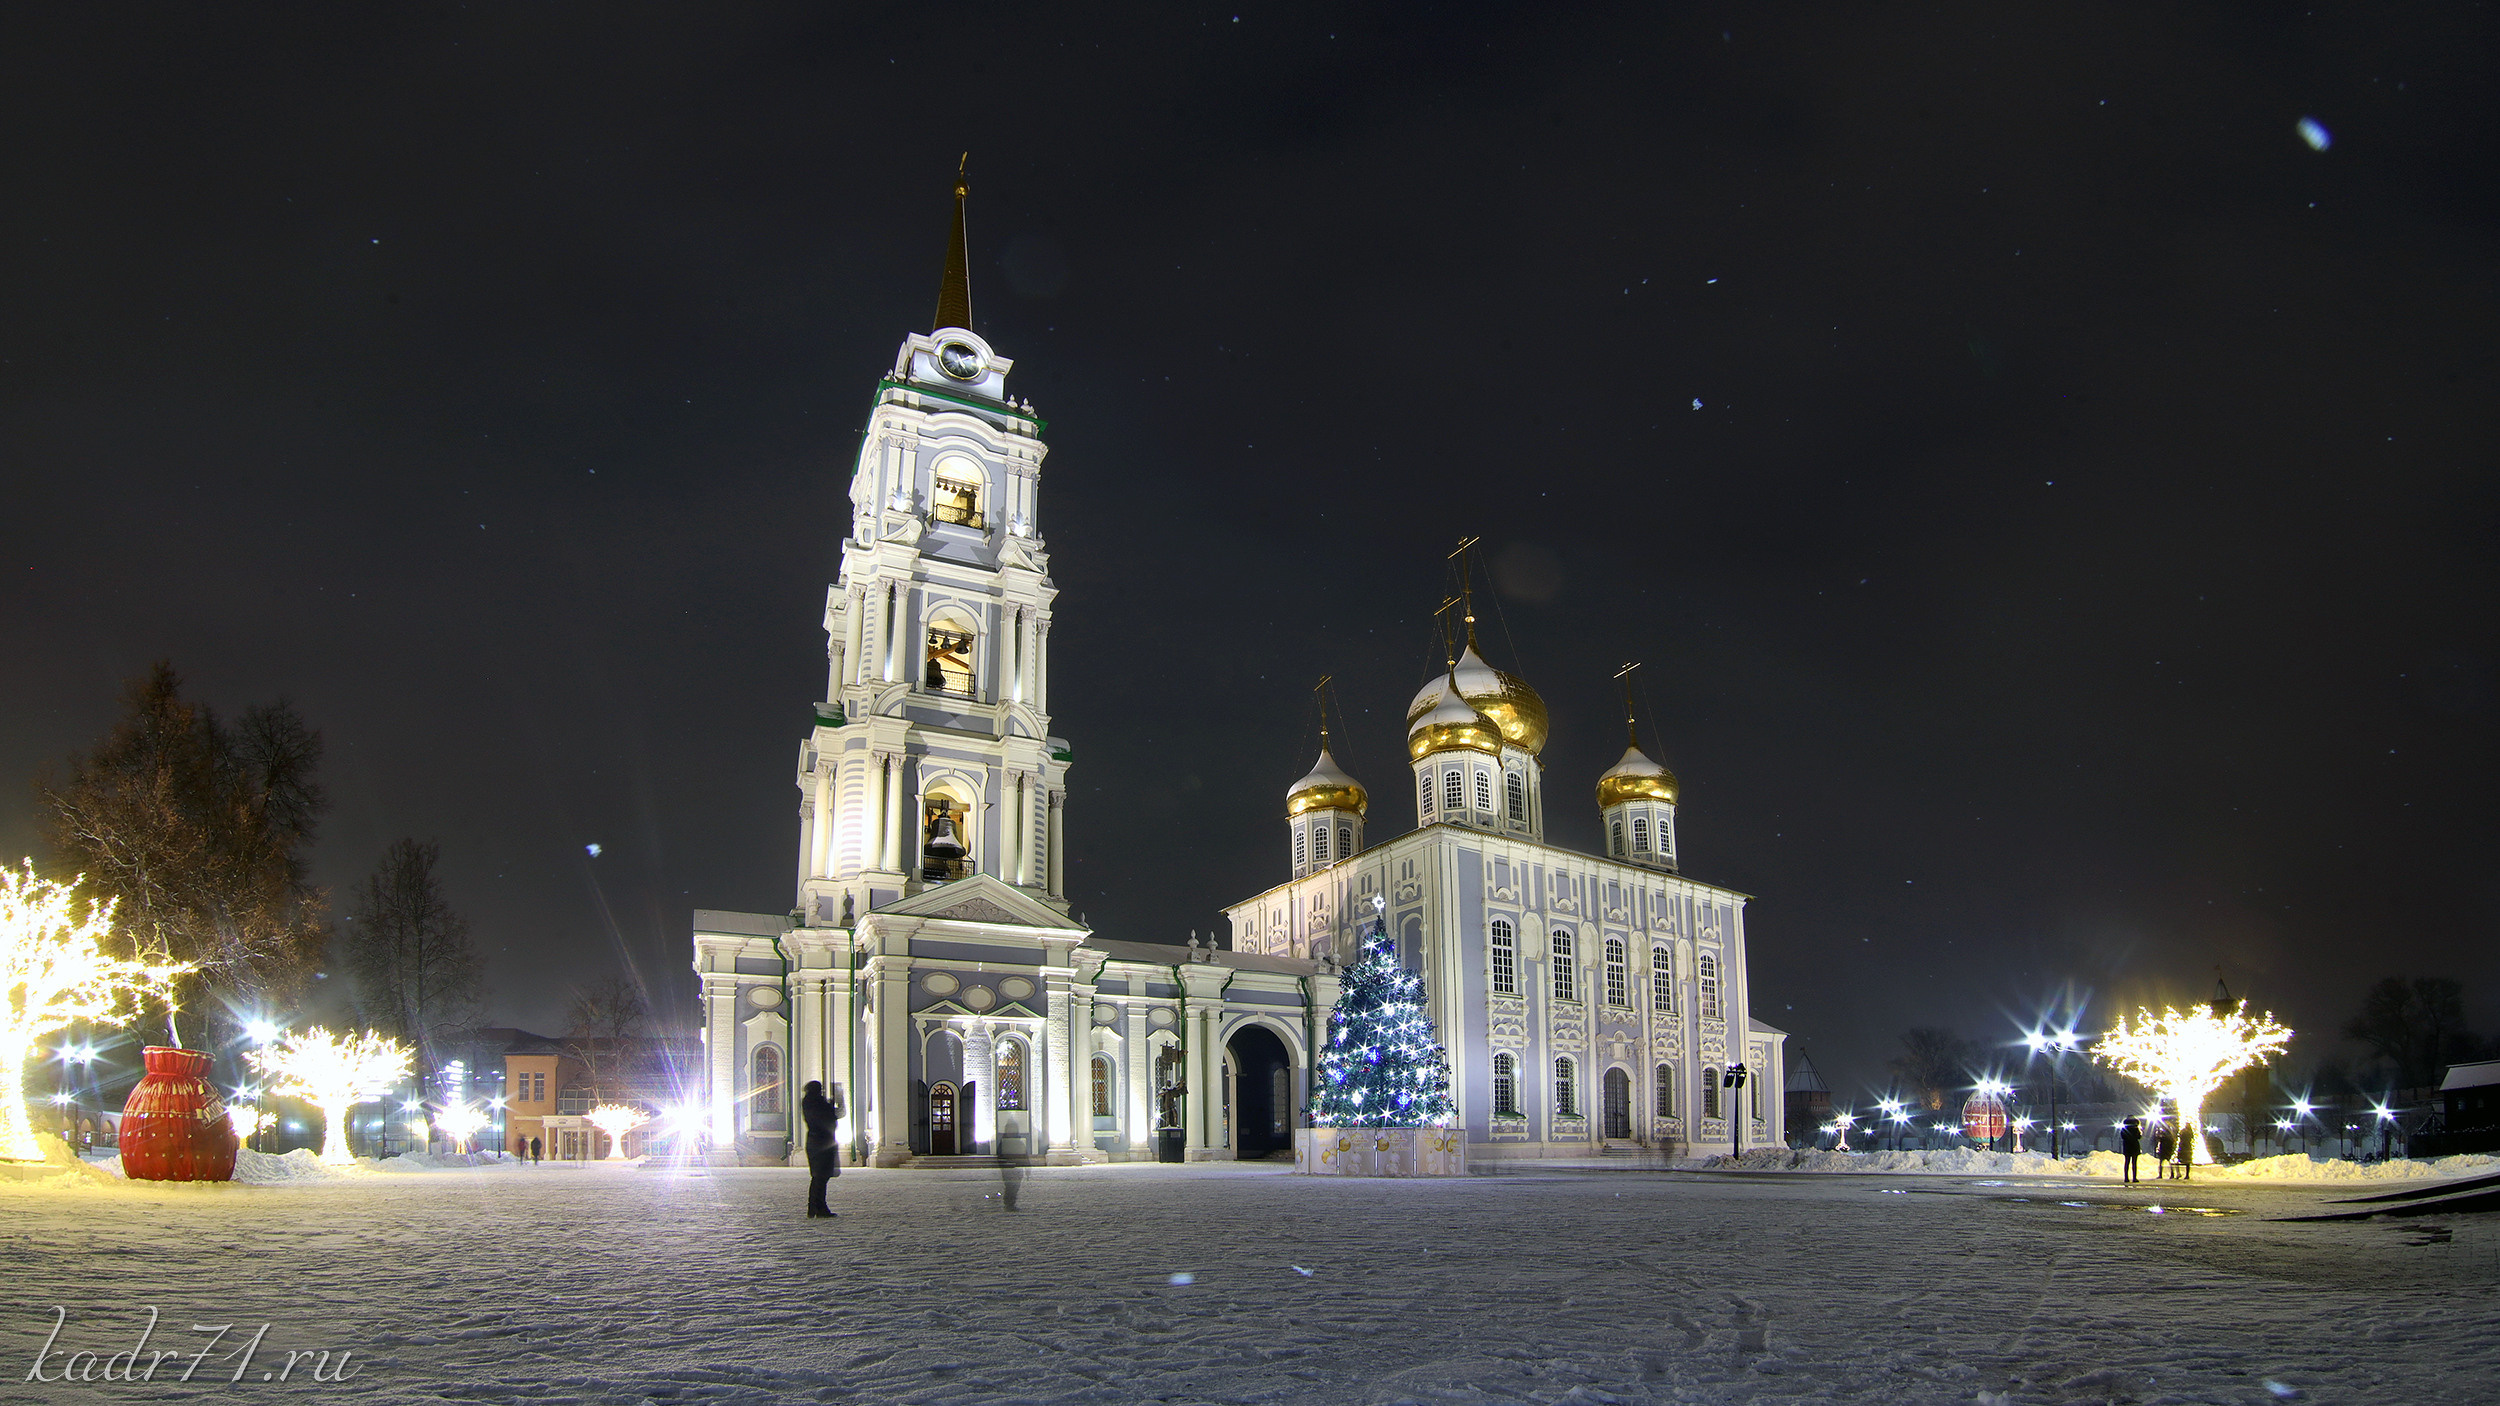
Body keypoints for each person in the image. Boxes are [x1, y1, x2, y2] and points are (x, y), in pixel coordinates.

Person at [800, 1079, 842, 1219]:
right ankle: (819, 1207)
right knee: (821, 1177)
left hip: (814, 1141)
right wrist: (833, 1104)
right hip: (822, 1142)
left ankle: (814, 1207)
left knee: (818, 1177)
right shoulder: (817, 1103)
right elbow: (830, 1118)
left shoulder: (809, 1102)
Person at [2119, 1116, 2143, 1185]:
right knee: (2134, 1163)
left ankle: (2126, 1178)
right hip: (2135, 1147)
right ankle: (2134, 1178)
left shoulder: (2124, 1129)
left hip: (2127, 1147)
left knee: (2127, 1162)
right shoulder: (2136, 1129)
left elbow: (2123, 1137)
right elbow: (2139, 1137)